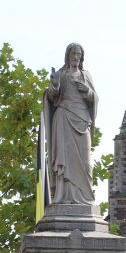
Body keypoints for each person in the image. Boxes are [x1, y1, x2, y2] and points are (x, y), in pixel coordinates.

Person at [43, 42, 97, 205]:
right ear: (68, 55)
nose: (76, 57)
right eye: (73, 53)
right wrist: (55, 85)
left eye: (79, 54)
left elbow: (95, 98)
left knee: (86, 162)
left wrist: (87, 91)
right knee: (64, 160)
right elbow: (51, 98)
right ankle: (64, 197)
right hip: (64, 117)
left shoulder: (85, 75)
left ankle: (85, 198)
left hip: (82, 119)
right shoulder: (61, 74)